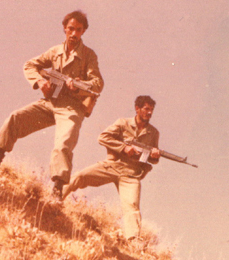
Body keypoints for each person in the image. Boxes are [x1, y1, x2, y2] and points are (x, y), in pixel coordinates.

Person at [0, 11, 104, 196]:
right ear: (64, 28)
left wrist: (78, 86)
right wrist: (40, 81)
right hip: (50, 102)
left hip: (71, 107)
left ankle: (57, 190)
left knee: (64, 142)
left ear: (83, 31)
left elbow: (98, 83)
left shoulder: (89, 55)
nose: (74, 33)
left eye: (78, 30)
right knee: (15, 118)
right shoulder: (55, 52)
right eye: (71, 29)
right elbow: (30, 65)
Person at [62, 95, 160, 240]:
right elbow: (103, 137)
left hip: (131, 174)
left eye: (151, 110)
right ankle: (54, 198)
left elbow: (151, 159)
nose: (149, 112)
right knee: (79, 177)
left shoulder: (154, 133)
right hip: (112, 165)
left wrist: (155, 156)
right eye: (146, 109)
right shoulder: (123, 123)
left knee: (132, 206)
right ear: (137, 109)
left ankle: (133, 240)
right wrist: (123, 148)